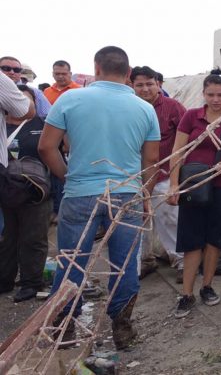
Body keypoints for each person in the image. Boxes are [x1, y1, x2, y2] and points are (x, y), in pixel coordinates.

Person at [38, 46, 160, 350]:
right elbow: (151, 162)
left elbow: (46, 147)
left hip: (81, 193)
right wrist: (145, 195)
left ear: (96, 68)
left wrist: (68, 177)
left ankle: (65, 328)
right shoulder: (145, 109)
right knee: (125, 264)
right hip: (127, 195)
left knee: (71, 262)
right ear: (129, 74)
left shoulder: (70, 98)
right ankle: (122, 329)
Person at [167, 69, 221, 318]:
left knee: (215, 239)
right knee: (191, 239)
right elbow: (177, 151)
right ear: (203, 94)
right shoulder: (191, 117)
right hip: (194, 185)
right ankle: (186, 293)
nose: (216, 99)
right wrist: (175, 185)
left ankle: (207, 286)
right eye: (211, 94)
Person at [130, 66, 187, 281]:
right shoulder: (129, 108)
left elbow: (186, 140)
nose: (145, 89)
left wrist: (177, 176)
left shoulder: (173, 108)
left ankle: (181, 262)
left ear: (158, 84)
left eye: (149, 84)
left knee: (170, 218)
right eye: (139, 85)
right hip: (134, 176)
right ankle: (145, 261)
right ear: (131, 86)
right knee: (137, 220)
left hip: (165, 175)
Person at [0, 85, 51, 302]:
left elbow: (53, 152)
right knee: (7, 238)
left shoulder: (42, 125)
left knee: (33, 238)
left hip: (34, 191)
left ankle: (31, 282)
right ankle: (5, 280)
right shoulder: (2, 126)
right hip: (5, 189)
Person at [0, 71, 35, 236]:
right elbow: (26, 110)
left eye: (16, 69)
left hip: (27, 190)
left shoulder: (40, 125)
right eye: (6, 67)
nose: (11, 72)